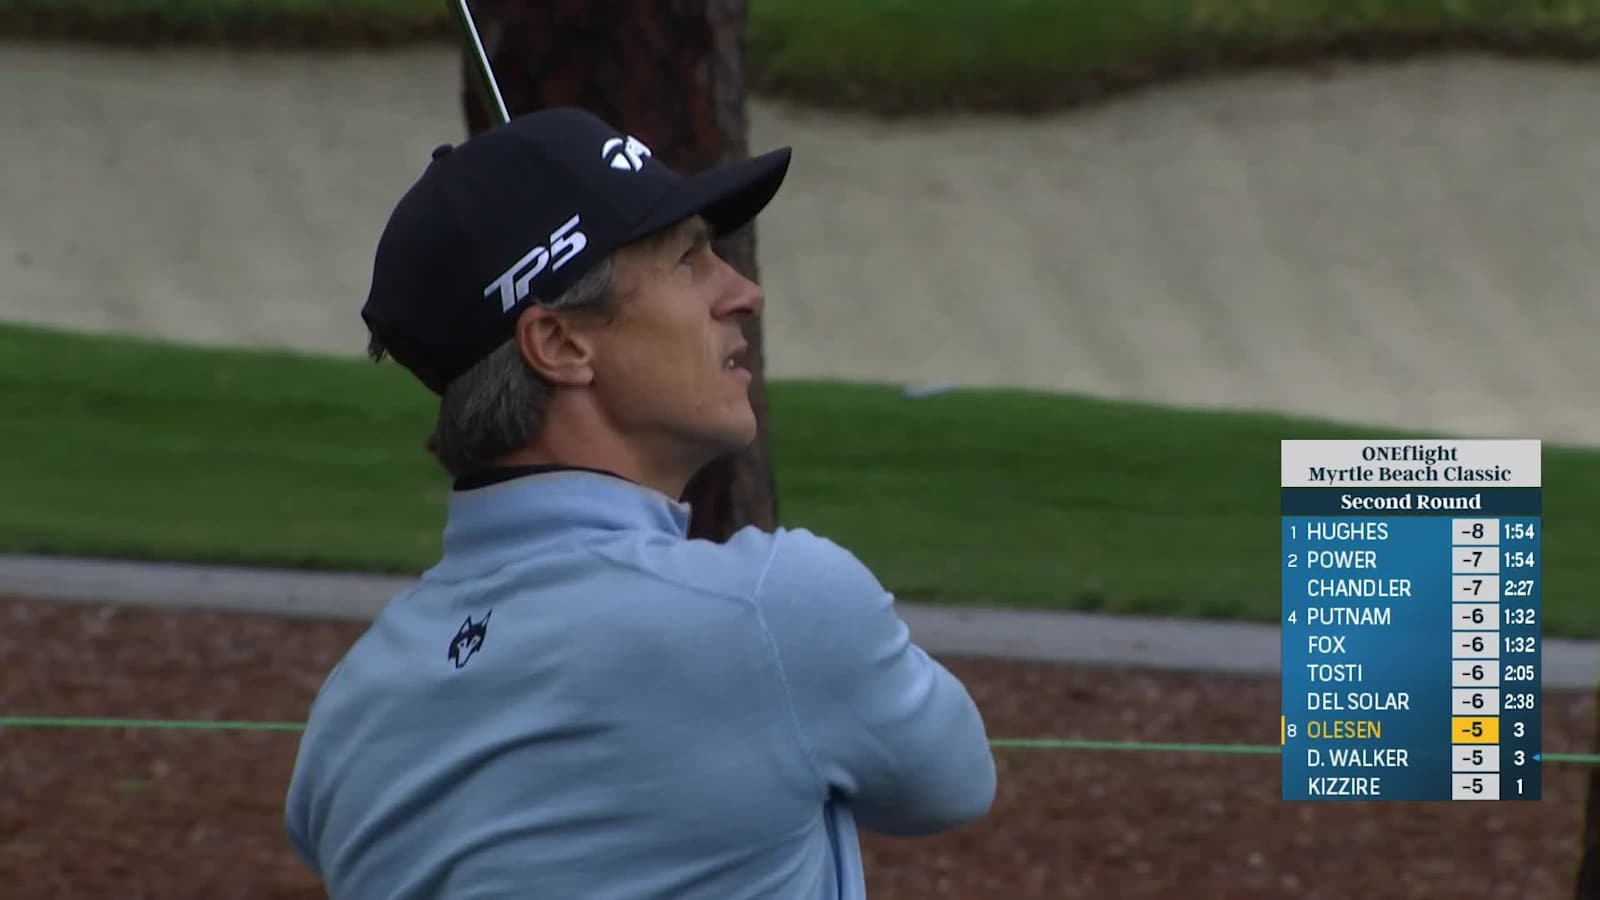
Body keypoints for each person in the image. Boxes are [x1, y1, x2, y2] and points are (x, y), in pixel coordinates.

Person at [283, 107, 996, 900]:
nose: (743, 292)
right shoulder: (777, 611)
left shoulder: (349, 711)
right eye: (688, 258)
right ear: (559, 344)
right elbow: (954, 781)